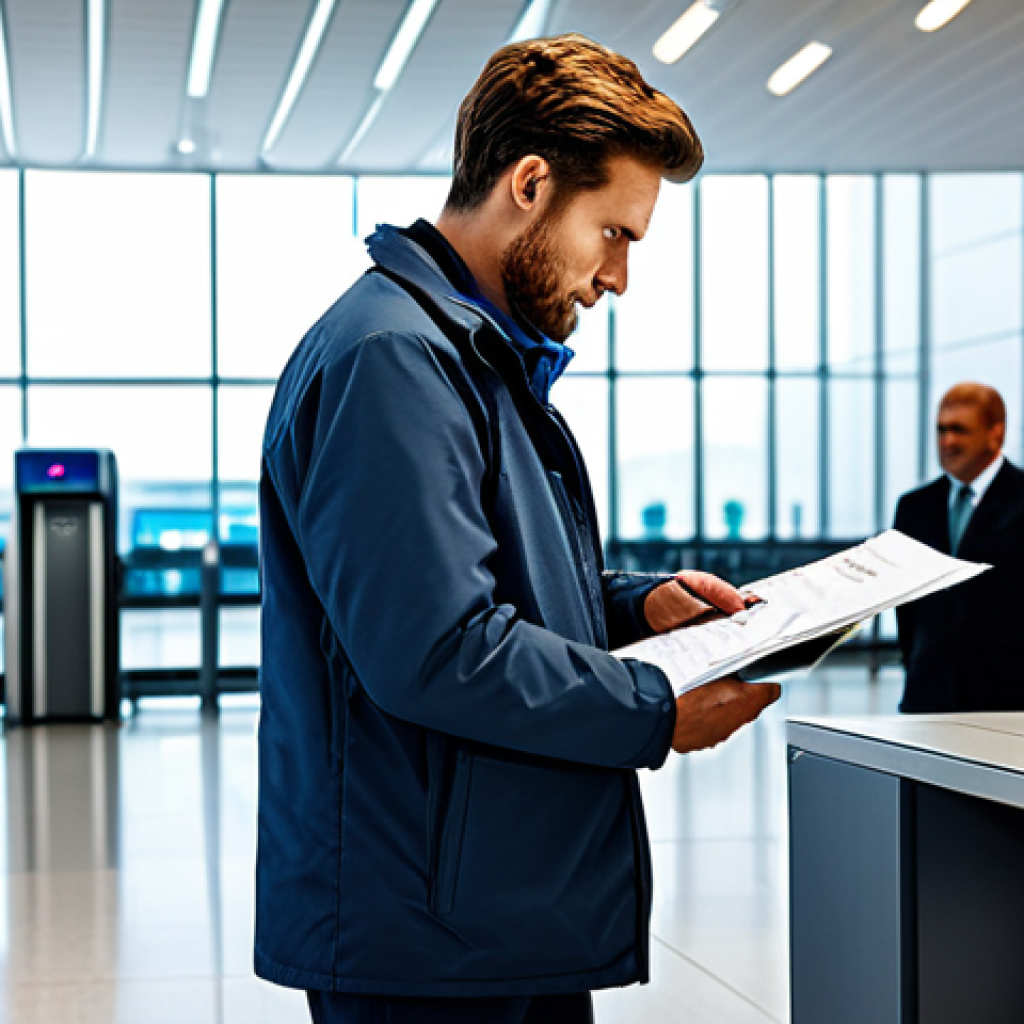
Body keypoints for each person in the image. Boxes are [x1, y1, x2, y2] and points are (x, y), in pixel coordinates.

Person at [254, 34, 780, 1024]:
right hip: (424, 940)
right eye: (614, 233)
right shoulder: (393, 361)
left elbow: (485, 585)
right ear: (530, 183)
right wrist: (655, 705)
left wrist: (633, 606)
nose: (617, 277)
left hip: (484, 913)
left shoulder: (467, 356)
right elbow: (436, 647)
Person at [895, 382, 1024, 713]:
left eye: (959, 430)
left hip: (1007, 701)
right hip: (927, 697)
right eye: (941, 430)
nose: (947, 442)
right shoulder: (913, 507)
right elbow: (906, 609)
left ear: (996, 434)